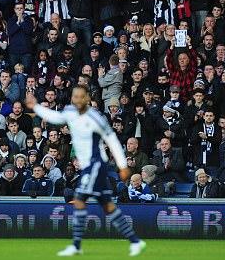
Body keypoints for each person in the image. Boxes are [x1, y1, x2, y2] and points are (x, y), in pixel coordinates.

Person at [26, 86, 146, 257]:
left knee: (80, 198)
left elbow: (111, 138)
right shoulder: (69, 112)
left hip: (96, 163)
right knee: (107, 205)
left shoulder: (95, 117)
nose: (78, 99)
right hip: (88, 165)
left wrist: (122, 165)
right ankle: (135, 241)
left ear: (87, 98)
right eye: (75, 96)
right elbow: (55, 116)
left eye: (81, 96)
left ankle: (76, 245)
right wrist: (36, 107)